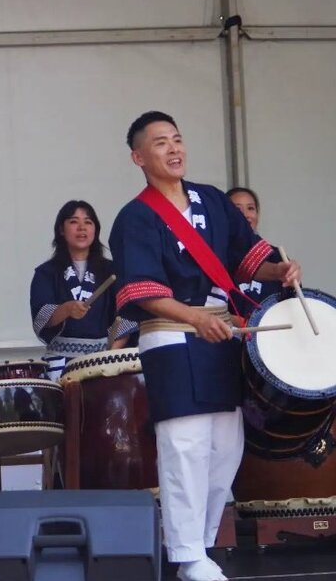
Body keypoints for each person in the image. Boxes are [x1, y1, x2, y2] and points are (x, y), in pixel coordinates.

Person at [109, 111, 299, 581]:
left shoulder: (212, 200)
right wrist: (193, 317)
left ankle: (202, 544)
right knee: (185, 447)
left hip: (222, 335)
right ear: (138, 157)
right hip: (173, 336)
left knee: (224, 447)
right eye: (159, 143)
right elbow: (140, 292)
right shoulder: (136, 216)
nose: (173, 149)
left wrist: (280, 271)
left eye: (177, 139)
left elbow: (249, 255)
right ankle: (186, 552)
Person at [30, 200, 135, 381]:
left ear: (95, 230)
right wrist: (67, 309)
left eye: (88, 222)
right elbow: (42, 317)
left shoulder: (112, 271)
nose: (81, 228)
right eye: (73, 222)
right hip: (61, 362)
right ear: (61, 230)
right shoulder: (46, 273)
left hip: (103, 362)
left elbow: (126, 318)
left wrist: (109, 356)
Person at [226, 187, 283, 315]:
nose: (246, 215)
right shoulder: (218, 255)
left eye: (250, 208)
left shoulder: (277, 256)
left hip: (269, 333)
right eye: (237, 209)